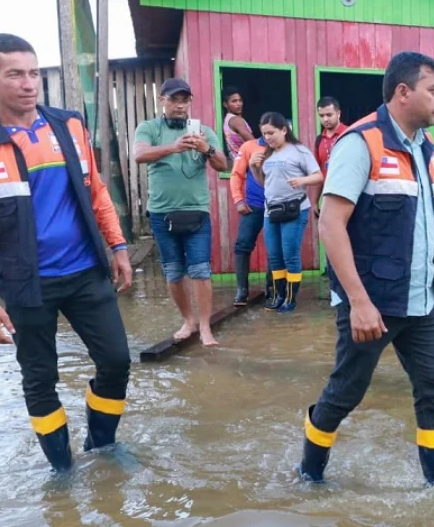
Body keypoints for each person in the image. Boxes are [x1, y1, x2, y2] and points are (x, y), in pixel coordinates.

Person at [0, 34, 133, 471]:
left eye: (33, 72)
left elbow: (95, 191)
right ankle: (63, 472)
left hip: (85, 272)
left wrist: (117, 245)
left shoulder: (68, 125)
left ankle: (103, 447)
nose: (28, 83)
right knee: (40, 380)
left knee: (116, 360)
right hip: (25, 285)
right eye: (14, 74)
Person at [299, 51, 434, 485]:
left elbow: (422, 224)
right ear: (403, 92)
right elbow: (330, 224)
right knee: (346, 391)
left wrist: (432, 283)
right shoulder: (361, 143)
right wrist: (358, 302)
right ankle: (308, 475)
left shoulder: (427, 150)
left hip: (421, 303)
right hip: (371, 303)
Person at [133, 78, 227, 346]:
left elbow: (222, 165)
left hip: (196, 211)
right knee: (173, 271)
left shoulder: (204, 131)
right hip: (161, 212)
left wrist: (205, 148)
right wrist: (174, 147)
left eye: (184, 100)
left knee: (201, 270)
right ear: (162, 101)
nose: (179, 105)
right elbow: (139, 155)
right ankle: (188, 321)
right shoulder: (149, 128)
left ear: (190, 103)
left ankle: (206, 327)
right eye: (174, 100)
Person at [247, 113, 323, 312]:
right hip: (271, 210)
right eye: (264, 134)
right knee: (274, 256)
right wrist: (253, 168)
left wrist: (302, 181)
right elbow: (266, 183)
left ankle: (291, 298)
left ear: (284, 129)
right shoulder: (267, 154)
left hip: (295, 209)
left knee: (290, 254)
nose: (268, 137)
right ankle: (279, 296)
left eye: (271, 132)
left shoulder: (299, 151)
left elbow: (318, 176)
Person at [229, 133, 271, 307]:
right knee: (242, 246)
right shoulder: (248, 147)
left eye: (273, 130)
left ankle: (272, 290)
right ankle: (242, 290)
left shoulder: (284, 148)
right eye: (266, 130)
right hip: (253, 206)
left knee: (274, 249)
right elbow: (236, 175)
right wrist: (238, 200)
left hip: (276, 207)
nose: (269, 134)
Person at [309, 96, 348, 218]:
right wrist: (315, 201)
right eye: (321, 116)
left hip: (348, 195)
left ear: (338, 113)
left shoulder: (350, 134)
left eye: (329, 115)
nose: (325, 119)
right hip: (328, 195)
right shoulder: (319, 140)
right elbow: (318, 173)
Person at [222, 86, 255, 161]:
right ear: (225, 104)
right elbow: (253, 143)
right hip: (247, 165)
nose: (239, 104)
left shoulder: (227, 120)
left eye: (240, 100)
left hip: (238, 164)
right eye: (234, 101)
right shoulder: (236, 120)